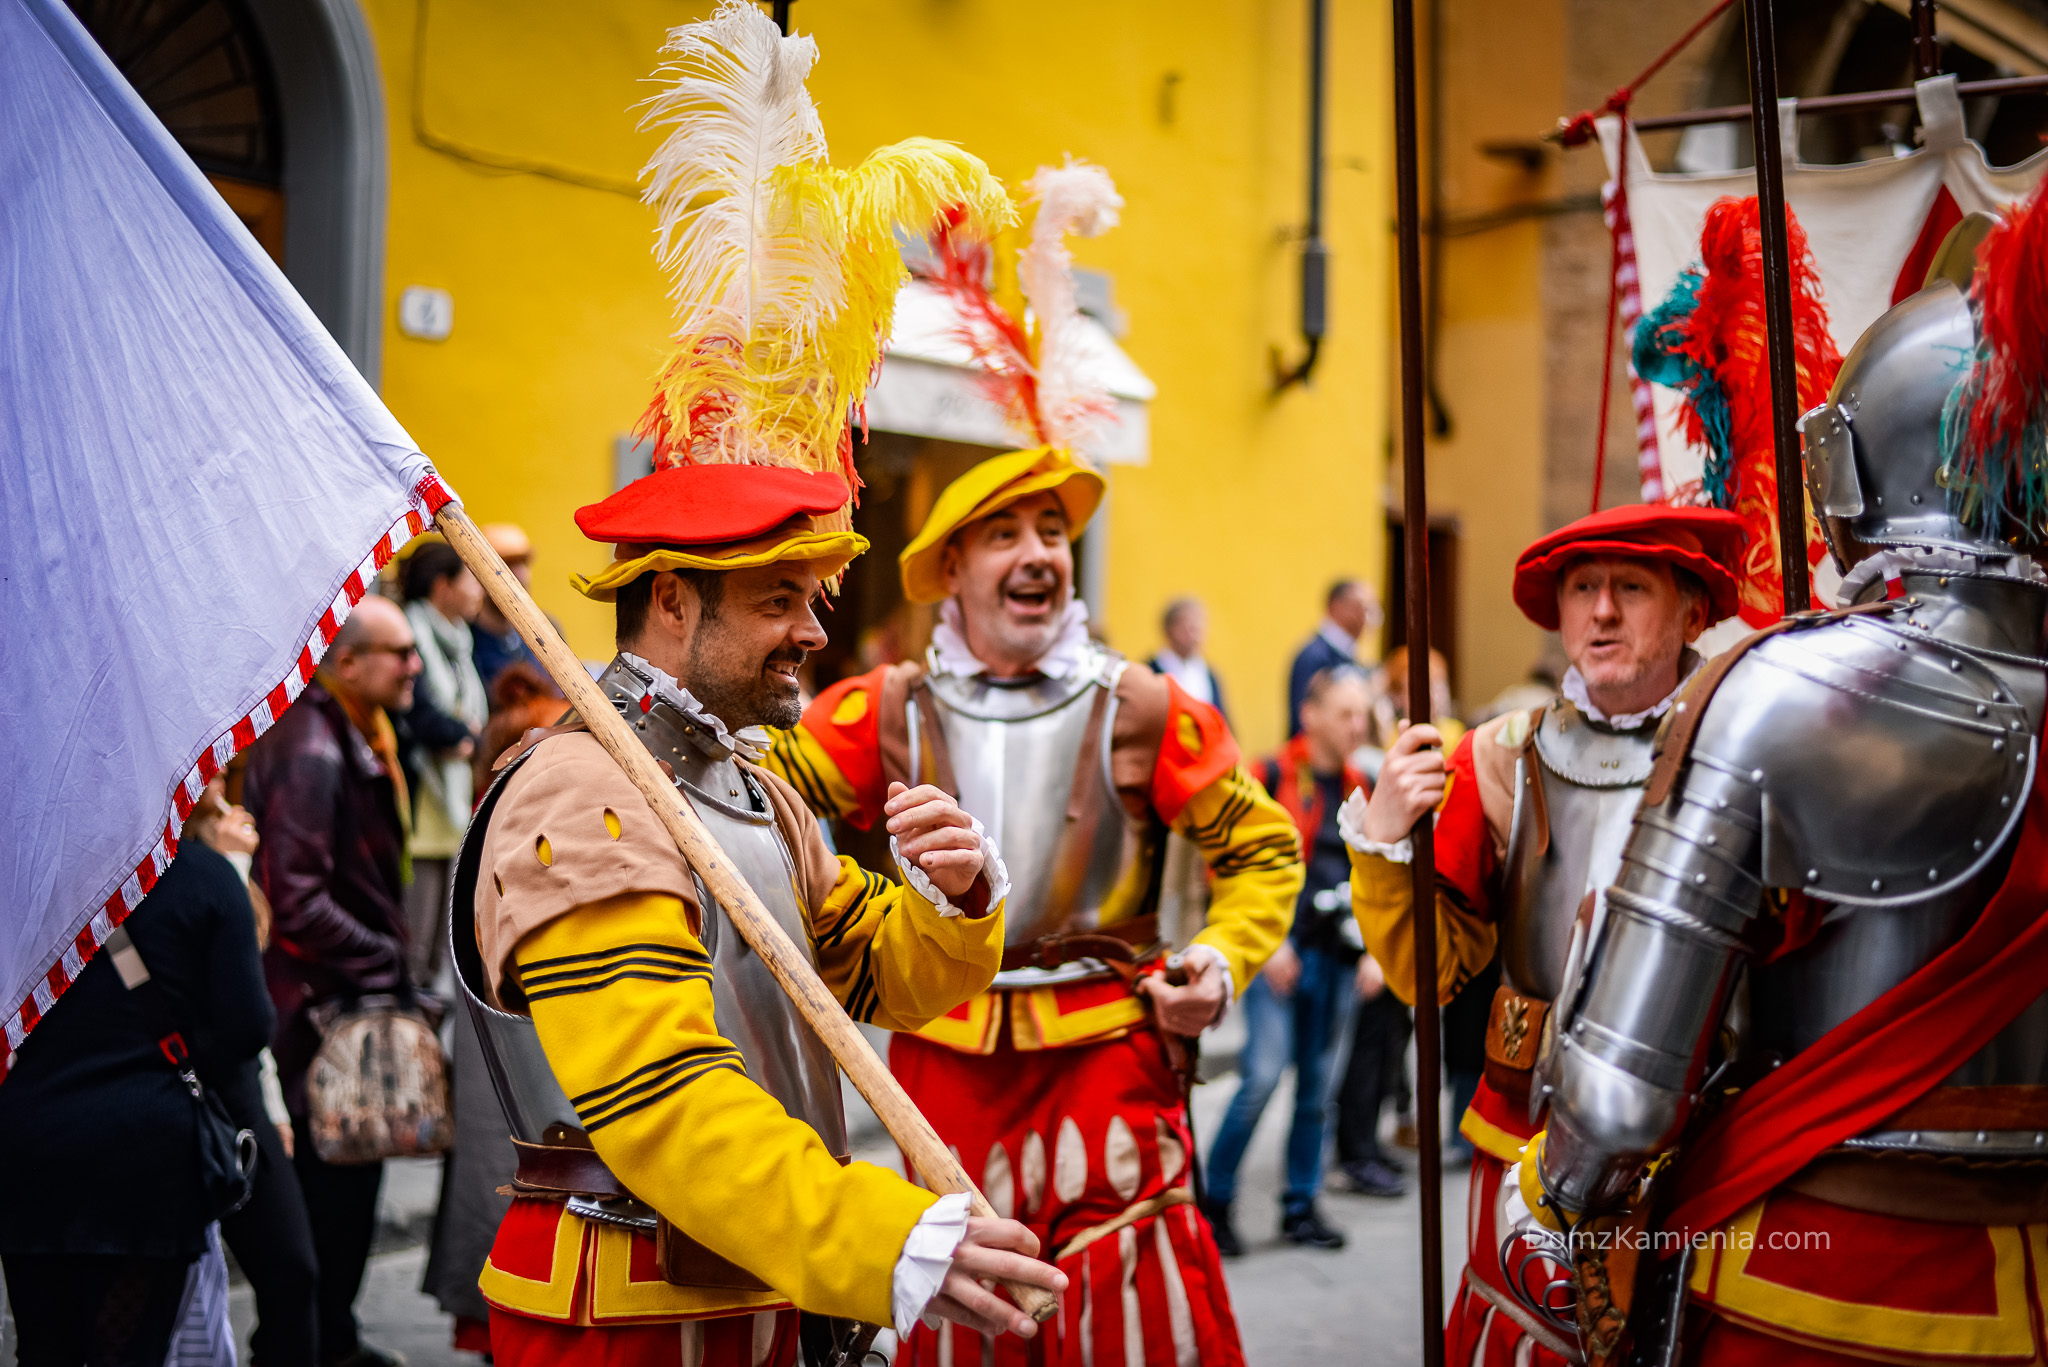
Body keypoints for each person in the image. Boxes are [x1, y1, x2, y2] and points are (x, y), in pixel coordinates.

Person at [1529, 225, 2048, 1364]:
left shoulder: (1786, 689)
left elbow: (1618, 1096)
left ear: (1856, 463)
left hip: (1818, 1276)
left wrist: (1557, 1199)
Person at [456, 459, 1065, 1361]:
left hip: (761, 1281)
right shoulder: (583, 791)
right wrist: (882, 1237)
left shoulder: (755, 791)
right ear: (670, 598)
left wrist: (956, 896)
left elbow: (878, 976)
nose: (815, 630)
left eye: (813, 601)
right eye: (780, 599)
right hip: (632, 1303)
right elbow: (660, 1099)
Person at [770, 446, 1302, 1367]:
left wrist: (1216, 963)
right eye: (1004, 534)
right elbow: (754, 804)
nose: (1038, 553)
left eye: (1053, 533)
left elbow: (1264, 850)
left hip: (1112, 1058)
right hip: (941, 1062)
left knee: (1134, 1309)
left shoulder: (1144, 705)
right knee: (966, 1293)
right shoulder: (881, 710)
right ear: (951, 572)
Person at [1344, 501, 1742, 1365]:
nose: (1601, 611)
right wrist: (1382, 838)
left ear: (1694, 612)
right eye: (1581, 589)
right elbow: (1429, 972)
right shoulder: (1495, 756)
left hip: (1707, 1141)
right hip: (1524, 1130)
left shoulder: (1752, 746)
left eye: (1631, 588)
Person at [0, 837, 274, 1367]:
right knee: (129, 1354)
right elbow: (247, 1028)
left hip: (32, 1147)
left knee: (43, 1352)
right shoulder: (206, 877)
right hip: (146, 1154)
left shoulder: (19, 882)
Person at [243, 593, 420, 1367]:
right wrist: (386, 957)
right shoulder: (314, 744)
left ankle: (331, 1339)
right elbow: (297, 900)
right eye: (399, 652)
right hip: (318, 1015)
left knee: (346, 1192)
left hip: (335, 1007)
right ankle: (308, 1348)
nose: (415, 666)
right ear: (346, 663)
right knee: (331, 1198)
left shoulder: (351, 727)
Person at [1201, 664, 1373, 1254]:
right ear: (1312, 715)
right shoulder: (1269, 773)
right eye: (1346, 713)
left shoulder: (1358, 784)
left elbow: (1375, 872)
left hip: (1338, 958)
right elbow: (1222, 863)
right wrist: (1265, 944)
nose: (1359, 725)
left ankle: (1301, 1206)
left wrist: (1375, 950)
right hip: (1279, 956)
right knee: (1262, 1079)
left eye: (1363, 713)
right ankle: (1213, 1201)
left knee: (1318, 1091)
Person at [187, 779, 319, 1367]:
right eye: (215, 804)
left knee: (290, 1273)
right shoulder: (199, 881)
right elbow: (239, 1014)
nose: (236, 810)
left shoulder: (224, 875)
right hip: (203, 1094)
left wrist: (272, 1104)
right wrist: (229, 867)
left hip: (240, 1091)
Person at [400, 539, 488, 987]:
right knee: (416, 940)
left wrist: (464, 737)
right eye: (469, 579)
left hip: (451, 808)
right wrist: (461, 735)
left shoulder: (458, 641)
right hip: (420, 805)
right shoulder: (405, 634)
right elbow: (415, 714)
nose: (479, 590)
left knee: (441, 944)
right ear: (442, 586)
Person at [1287, 578, 1380, 736]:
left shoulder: (1348, 654)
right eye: (1362, 608)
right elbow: (1303, 724)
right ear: (1337, 607)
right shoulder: (1314, 656)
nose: (1367, 617)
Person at [468, 521, 545, 692]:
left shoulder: (546, 629)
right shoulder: (467, 640)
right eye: (508, 564)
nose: (520, 574)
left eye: (523, 562)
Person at [1148, 595, 1228, 721]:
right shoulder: (1151, 672)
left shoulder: (1209, 675)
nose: (1196, 636)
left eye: (1198, 628)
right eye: (1189, 627)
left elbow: (1222, 722)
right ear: (1170, 629)